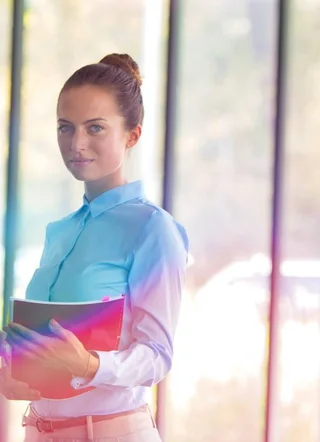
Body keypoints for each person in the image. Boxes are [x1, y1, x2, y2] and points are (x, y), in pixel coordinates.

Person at [0, 53, 189, 441]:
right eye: (65, 128)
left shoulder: (153, 229)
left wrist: (89, 365)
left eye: (96, 128)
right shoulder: (61, 231)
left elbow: (157, 355)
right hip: (38, 431)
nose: (77, 144)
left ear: (132, 135)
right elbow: (42, 339)